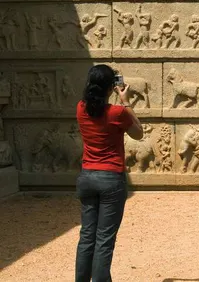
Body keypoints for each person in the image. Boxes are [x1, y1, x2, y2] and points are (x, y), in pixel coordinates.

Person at [75, 65, 143, 282]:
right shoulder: (117, 113)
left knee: (87, 236)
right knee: (104, 239)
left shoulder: (80, 108)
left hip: (87, 176)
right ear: (111, 87)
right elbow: (139, 133)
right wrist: (125, 101)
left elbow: (93, 106)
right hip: (111, 178)